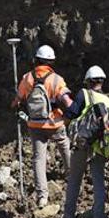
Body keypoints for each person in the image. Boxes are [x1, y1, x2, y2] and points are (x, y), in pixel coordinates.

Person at [11, 45, 73, 207]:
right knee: (64, 145)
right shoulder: (56, 79)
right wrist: (74, 111)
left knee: (38, 158)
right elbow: (67, 101)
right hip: (54, 122)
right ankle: (72, 175)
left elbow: (17, 100)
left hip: (34, 124)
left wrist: (16, 106)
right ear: (51, 62)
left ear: (36, 60)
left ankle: (42, 197)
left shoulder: (27, 78)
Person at [61, 65, 109, 218]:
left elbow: (71, 113)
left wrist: (65, 127)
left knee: (74, 180)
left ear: (88, 81)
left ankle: (68, 217)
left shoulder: (84, 94)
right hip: (100, 146)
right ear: (102, 82)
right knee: (99, 181)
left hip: (83, 143)